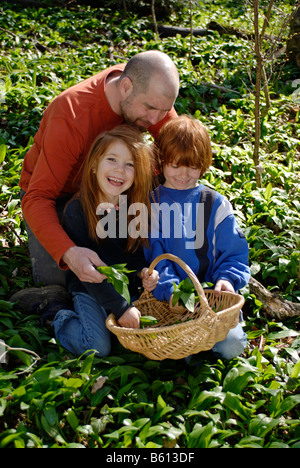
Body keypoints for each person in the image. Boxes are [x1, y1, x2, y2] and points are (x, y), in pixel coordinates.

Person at [18, 50, 179, 288]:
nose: (156, 119)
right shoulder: (71, 113)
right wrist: (69, 253)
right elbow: (38, 197)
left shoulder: (151, 89)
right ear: (126, 87)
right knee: (64, 284)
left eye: (164, 111)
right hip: (59, 196)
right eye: (150, 109)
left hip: (118, 185)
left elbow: (179, 151)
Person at [144, 115, 251, 360]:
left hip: (214, 299)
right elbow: (157, 258)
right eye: (175, 165)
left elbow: (234, 252)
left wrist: (227, 279)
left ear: (203, 164)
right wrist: (171, 292)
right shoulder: (152, 205)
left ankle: (216, 338)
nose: (183, 174)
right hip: (172, 304)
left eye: (192, 166)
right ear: (161, 162)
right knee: (178, 353)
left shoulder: (215, 203)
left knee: (231, 347)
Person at [52, 125, 159, 357]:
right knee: (97, 346)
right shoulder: (76, 212)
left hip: (124, 286)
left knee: (149, 332)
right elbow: (90, 276)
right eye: (112, 159)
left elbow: (133, 252)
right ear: (93, 165)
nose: (120, 170)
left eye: (130, 164)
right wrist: (121, 308)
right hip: (89, 288)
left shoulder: (132, 208)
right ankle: (56, 313)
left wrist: (142, 271)